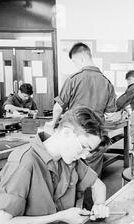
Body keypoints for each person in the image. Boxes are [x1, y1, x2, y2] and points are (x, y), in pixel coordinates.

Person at [0, 107, 110, 224]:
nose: (85, 155)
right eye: (84, 147)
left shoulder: (69, 159)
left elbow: (98, 185)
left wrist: (99, 204)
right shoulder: (24, 162)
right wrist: (59, 217)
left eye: (89, 151)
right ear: (66, 133)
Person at [47, 42, 119, 176]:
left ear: (81, 59)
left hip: (75, 136)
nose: (76, 66)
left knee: (70, 175)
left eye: (75, 62)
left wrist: (52, 123)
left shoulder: (73, 79)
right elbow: (110, 114)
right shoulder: (107, 83)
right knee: (92, 177)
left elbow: (58, 107)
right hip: (95, 138)